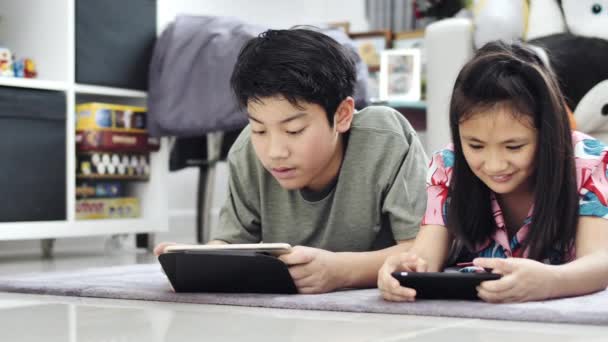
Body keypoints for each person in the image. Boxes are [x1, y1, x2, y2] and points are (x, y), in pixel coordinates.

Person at [155, 28, 429, 294]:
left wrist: (342, 271)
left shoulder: (386, 138)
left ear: (343, 115)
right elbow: (231, 243)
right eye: (260, 129)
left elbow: (423, 250)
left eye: (294, 130)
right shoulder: (245, 151)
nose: (274, 151)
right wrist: (195, 261)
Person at [378, 41, 608, 303]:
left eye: (514, 146)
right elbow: (424, 258)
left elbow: (600, 263)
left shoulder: (590, 161)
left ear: (547, 132)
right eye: (475, 145)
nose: (494, 164)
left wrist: (551, 282)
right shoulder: (448, 165)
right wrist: (400, 273)